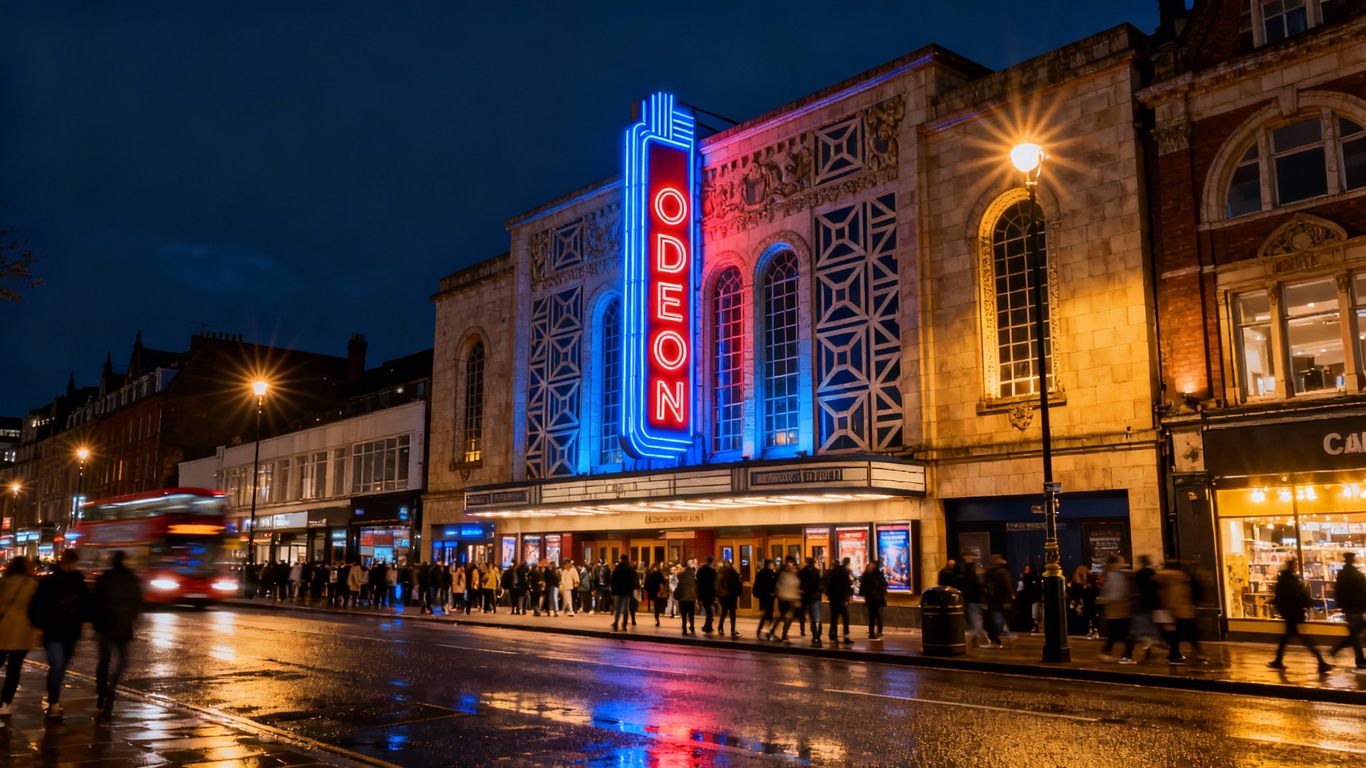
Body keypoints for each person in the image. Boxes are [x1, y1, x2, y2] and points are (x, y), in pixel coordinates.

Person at [27, 549, 90, 720]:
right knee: (58, 666)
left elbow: (85, 605)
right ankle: (54, 703)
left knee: (60, 667)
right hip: (58, 631)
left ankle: (54, 700)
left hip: (62, 631)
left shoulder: (72, 581)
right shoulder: (57, 581)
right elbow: (36, 606)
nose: (72, 566)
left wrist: (40, 625)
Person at [92, 551, 143, 717]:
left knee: (104, 661)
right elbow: (137, 600)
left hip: (105, 626)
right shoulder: (130, 577)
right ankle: (112, 685)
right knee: (122, 660)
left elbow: (96, 600)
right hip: (122, 625)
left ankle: (101, 693)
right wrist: (134, 618)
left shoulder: (105, 577)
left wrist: (96, 624)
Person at [1268, 557, 1330, 673]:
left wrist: (1279, 607)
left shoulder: (1283, 581)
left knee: (1289, 639)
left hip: (1290, 614)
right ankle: (1321, 662)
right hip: (1296, 614)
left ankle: (1278, 660)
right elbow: (1301, 596)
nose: (1296, 567)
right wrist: (1306, 604)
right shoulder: (1293, 581)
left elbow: (1279, 597)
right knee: (1302, 639)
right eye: (1295, 565)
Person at [0, 557, 40, 717]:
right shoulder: (31, 585)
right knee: (14, 669)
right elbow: (37, 609)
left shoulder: (3, 582)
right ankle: (5, 704)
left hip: (2, 629)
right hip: (23, 632)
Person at [1155, 559, 1204, 665]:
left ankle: (1174, 654)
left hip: (1167, 611)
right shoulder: (1178, 577)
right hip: (1181, 610)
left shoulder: (1160, 578)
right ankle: (1193, 653)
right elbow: (1175, 596)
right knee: (1191, 634)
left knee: (1173, 636)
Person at [1097, 555, 1136, 664]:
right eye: (1121, 562)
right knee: (1126, 634)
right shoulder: (1115, 575)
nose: (1123, 564)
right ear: (1115, 563)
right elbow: (1116, 593)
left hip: (1114, 610)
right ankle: (1127, 656)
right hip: (1119, 608)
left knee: (1114, 634)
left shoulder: (1110, 574)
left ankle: (1106, 653)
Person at [1329, 552, 1365, 670]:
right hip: (1358, 608)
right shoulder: (1358, 575)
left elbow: (1337, 592)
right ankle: (1360, 660)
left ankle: (1336, 649)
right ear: (1353, 561)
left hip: (1349, 609)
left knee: (1355, 633)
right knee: (1356, 634)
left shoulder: (1341, 575)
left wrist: (1341, 605)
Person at [1131, 555, 1162, 656]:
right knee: (1151, 624)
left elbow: (1135, 588)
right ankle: (1153, 642)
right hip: (1153, 601)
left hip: (1142, 602)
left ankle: (1147, 644)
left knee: (1143, 625)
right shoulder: (1152, 573)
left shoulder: (1138, 574)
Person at [983, 554, 1014, 648]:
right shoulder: (1002, 572)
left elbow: (983, 585)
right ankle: (1005, 634)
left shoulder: (987, 572)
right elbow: (1007, 585)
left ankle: (999, 636)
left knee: (995, 618)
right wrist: (1010, 598)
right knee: (998, 618)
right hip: (1000, 598)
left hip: (990, 598)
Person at [956, 552, 985, 647]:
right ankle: (978, 633)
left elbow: (981, 582)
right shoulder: (961, 567)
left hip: (975, 597)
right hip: (966, 597)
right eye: (967, 556)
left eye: (971, 556)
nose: (969, 557)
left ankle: (977, 635)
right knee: (971, 617)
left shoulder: (976, 567)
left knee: (975, 616)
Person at [772, 557, 801, 643]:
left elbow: (796, 585)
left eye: (792, 563)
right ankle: (781, 633)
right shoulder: (783, 573)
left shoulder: (794, 573)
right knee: (784, 617)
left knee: (788, 618)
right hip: (784, 599)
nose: (791, 565)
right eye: (790, 563)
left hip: (792, 599)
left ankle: (781, 633)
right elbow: (779, 585)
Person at [825, 557, 853, 644]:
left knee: (834, 618)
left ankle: (832, 635)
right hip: (841, 599)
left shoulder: (832, 572)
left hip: (834, 599)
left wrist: (830, 596)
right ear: (847, 564)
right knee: (845, 618)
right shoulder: (844, 573)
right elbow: (847, 585)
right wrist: (848, 595)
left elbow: (828, 585)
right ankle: (846, 637)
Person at [1067, 565, 1097, 639]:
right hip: (1085, 608)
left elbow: (1072, 594)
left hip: (1078, 609)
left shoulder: (1074, 584)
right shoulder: (1089, 584)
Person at [799, 557, 824, 647]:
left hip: (806, 597)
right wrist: (818, 594)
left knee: (811, 617)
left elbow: (800, 584)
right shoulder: (816, 571)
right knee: (817, 617)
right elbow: (819, 584)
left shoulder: (802, 572)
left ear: (806, 562)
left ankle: (813, 634)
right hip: (815, 597)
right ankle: (817, 635)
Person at [862, 560, 888, 640]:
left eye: (872, 565)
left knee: (875, 617)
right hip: (874, 599)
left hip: (876, 599)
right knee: (874, 617)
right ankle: (874, 633)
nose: (871, 566)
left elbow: (883, 585)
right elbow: (864, 587)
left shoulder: (874, 574)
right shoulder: (868, 574)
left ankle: (876, 632)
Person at [610, 555, 637, 632]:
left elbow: (613, 580)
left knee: (617, 608)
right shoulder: (630, 569)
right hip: (627, 592)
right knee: (625, 609)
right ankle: (624, 624)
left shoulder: (617, 568)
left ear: (621, 559)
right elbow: (633, 580)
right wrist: (632, 590)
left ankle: (616, 623)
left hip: (618, 591)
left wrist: (613, 591)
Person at [716, 560, 741, 638]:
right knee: (730, 613)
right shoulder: (731, 572)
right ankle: (731, 629)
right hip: (730, 595)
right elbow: (736, 583)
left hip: (725, 595)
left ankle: (722, 627)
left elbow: (717, 585)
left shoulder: (720, 573)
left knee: (725, 612)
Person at [753, 559, 778, 639]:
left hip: (763, 596)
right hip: (769, 596)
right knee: (768, 613)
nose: (773, 565)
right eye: (772, 564)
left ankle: (764, 630)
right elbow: (771, 584)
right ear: (769, 565)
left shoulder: (761, 573)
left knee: (767, 613)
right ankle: (766, 631)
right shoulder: (770, 573)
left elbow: (757, 584)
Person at [675, 561, 698, 635]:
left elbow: (677, 576)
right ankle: (692, 626)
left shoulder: (681, 576)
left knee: (684, 614)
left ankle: (684, 628)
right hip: (691, 597)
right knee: (691, 614)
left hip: (683, 597)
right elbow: (696, 586)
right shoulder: (693, 577)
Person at [696, 556, 717, 634]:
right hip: (710, 592)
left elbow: (698, 582)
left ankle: (707, 626)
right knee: (709, 610)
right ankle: (708, 627)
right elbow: (715, 582)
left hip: (702, 592)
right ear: (712, 562)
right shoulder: (712, 571)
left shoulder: (700, 571)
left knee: (708, 609)